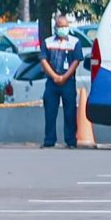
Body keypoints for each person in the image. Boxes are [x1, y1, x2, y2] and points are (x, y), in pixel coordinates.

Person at [40, 19, 85, 147]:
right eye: (60, 26)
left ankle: (71, 141)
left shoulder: (75, 42)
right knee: (50, 112)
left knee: (70, 112)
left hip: (68, 81)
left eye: (65, 26)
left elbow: (76, 61)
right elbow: (43, 60)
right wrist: (55, 76)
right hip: (52, 82)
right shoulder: (48, 42)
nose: (62, 29)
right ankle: (49, 140)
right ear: (55, 27)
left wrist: (65, 77)